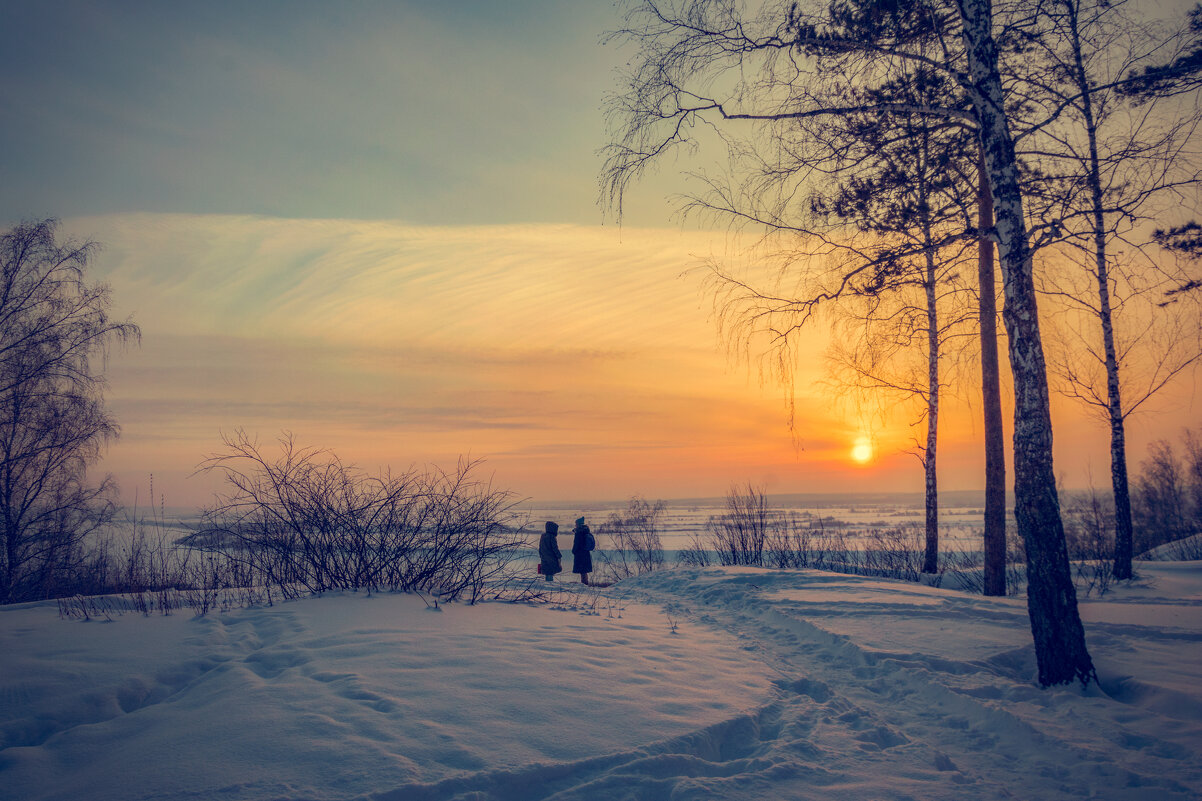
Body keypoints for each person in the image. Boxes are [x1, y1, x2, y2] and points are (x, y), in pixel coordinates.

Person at [571, 517, 595, 585]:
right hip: (586, 554)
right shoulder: (586, 531)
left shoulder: (579, 532)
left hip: (580, 554)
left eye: (576, 524)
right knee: (584, 571)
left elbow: (577, 543)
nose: (575, 525)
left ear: (578, 524)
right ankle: (585, 583)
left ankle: (584, 585)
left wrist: (573, 551)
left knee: (582, 571)